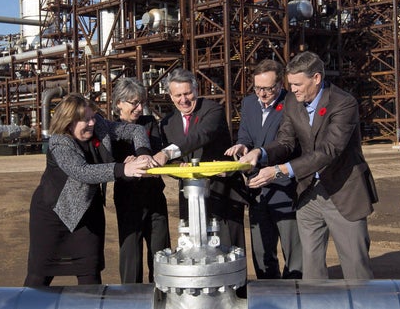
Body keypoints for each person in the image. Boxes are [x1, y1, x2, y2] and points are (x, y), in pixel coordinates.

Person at [240, 51, 378, 280]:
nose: (292, 90)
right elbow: (286, 141)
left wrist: (280, 170)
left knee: (355, 267)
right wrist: (260, 152)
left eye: (297, 84)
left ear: (316, 78)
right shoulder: (293, 102)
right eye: (290, 84)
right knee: (311, 269)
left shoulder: (343, 103)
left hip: (342, 193)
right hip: (308, 194)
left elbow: (328, 151)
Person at [24, 93, 153, 287]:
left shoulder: (100, 126)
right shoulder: (59, 142)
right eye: (85, 120)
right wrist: (122, 169)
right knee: (39, 275)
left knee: (90, 274)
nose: (92, 123)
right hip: (53, 215)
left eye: (93, 117)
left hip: (88, 214)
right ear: (68, 122)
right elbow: (81, 172)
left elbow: (136, 130)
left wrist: (143, 154)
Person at [225, 59, 303, 279]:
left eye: (268, 88)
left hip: (285, 188)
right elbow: (246, 135)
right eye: (258, 87)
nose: (263, 93)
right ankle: (268, 294)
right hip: (257, 189)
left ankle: (292, 294)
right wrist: (242, 146)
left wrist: (259, 152)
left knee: (294, 253)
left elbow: (289, 144)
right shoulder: (249, 103)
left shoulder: (292, 103)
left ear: (280, 84)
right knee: (261, 252)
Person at [159, 67, 248, 250]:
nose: (183, 100)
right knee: (193, 250)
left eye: (187, 93)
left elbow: (200, 136)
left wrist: (168, 152)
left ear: (196, 90)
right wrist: (178, 168)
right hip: (190, 197)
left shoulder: (212, 110)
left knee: (228, 252)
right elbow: (170, 164)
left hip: (224, 194)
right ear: (170, 96)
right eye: (178, 95)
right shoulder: (167, 123)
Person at [111, 77, 171, 283]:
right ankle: (130, 299)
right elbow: (113, 163)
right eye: (133, 103)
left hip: (154, 195)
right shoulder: (111, 130)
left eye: (141, 102)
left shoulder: (149, 123)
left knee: (161, 251)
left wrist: (137, 159)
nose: (139, 108)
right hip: (128, 199)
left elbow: (153, 153)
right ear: (119, 102)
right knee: (130, 253)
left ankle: (162, 296)